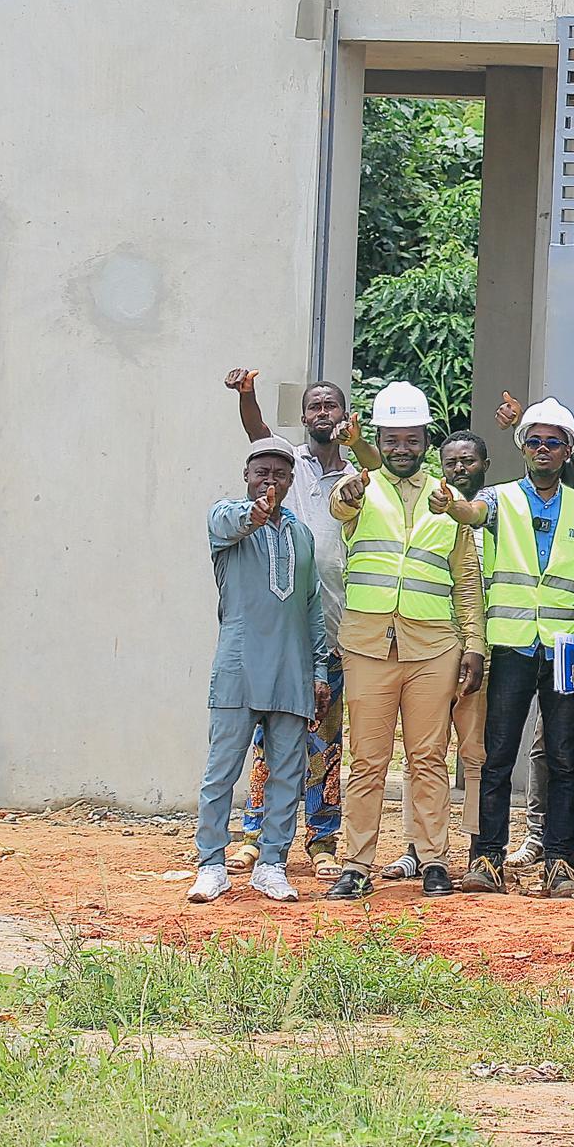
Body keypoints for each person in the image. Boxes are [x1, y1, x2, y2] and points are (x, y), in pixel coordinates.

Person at [438, 398, 574, 898]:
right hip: (510, 645)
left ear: (567, 450)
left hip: (566, 648)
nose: (543, 450)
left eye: (553, 442)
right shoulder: (500, 497)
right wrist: (453, 505)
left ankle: (558, 861)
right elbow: (471, 512)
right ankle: (486, 858)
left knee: (564, 756)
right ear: (523, 448)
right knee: (498, 755)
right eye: (534, 441)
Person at [324, 381, 483, 901]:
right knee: (367, 759)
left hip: (434, 646)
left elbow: (466, 579)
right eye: (391, 439)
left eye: (410, 438)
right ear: (380, 438)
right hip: (369, 644)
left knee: (429, 756)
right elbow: (339, 507)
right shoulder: (358, 487)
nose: (400, 448)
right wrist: (346, 492)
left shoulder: (450, 499)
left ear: (424, 440)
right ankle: (356, 864)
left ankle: (434, 860)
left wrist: (474, 644)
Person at [225, 370, 353, 877]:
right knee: (269, 737)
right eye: (314, 408)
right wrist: (247, 395)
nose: (322, 414)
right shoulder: (288, 463)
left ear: (344, 414)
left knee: (325, 741)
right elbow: (257, 433)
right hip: (285, 634)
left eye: (331, 407)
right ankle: (254, 835)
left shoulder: (355, 477)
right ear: (303, 417)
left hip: (336, 631)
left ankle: (323, 841)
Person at [192, 437, 330, 905]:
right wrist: (255, 514)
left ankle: (272, 863)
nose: (270, 481)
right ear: (247, 477)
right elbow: (234, 520)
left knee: (288, 772)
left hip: (292, 670)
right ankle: (210, 864)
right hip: (239, 665)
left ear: (292, 481)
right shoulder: (225, 519)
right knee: (221, 770)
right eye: (261, 473)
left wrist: (320, 672)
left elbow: (312, 608)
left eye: (280, 474)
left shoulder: (301, 535)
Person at [411, 429, 494, 873]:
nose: (459, 469)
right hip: (430, 647)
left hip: (482, 647)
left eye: (468, 461)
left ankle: (478, 848)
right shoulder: (431, 516)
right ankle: (417, 848)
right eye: (451, 463)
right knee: (425, 750)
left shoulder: (497, 513)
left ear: (486, 465)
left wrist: (477, 644)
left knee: (476, 752)